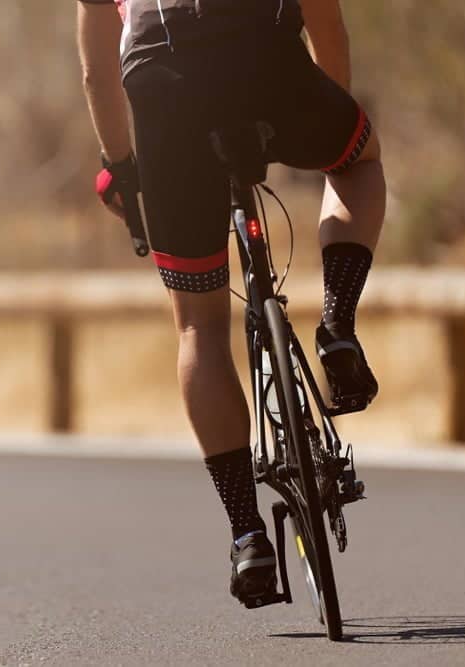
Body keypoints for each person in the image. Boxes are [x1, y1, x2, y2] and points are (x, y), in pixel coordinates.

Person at [76, 0, 385, 606]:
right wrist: (323, 126)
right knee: (358, 162)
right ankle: (337, 323)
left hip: (162, 85)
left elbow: (95, 73)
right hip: (265, 59)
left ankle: (247, 533)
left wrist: (120, 168)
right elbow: (327, 20)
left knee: (198, 328)